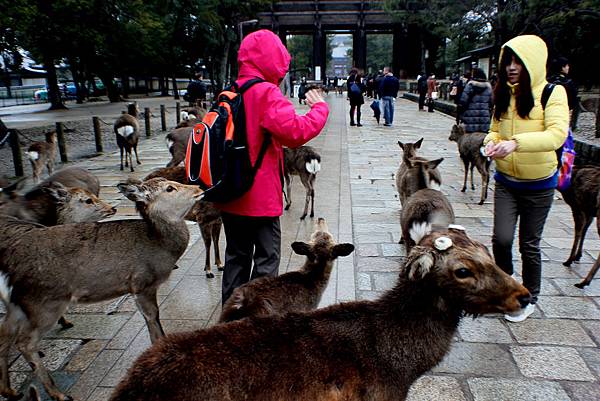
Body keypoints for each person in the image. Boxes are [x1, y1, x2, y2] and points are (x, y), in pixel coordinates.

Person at [218, 30, 329, 304]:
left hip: (230, 193)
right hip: (260, 197)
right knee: (266, 262)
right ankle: (256, 326)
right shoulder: (265, 92)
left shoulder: (229, 92)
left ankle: (230, 320)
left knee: (236, 258)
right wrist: (320, 109)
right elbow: (295, 132)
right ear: (274, 58)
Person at [483, 35, 569, 322]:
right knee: (502, 239)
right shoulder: (504, 93)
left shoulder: (552, 93)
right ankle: (507, 287)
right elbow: (495, 129)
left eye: (518, 61)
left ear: (532, 63)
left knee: (529, 244)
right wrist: (490, 142)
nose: (511, 67)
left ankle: (529, 296)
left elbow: (556, 134)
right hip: (507, 180)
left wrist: (516, 143)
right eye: (508, 61)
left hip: (539, 183)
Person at [458, 67, 493, 132]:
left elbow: (463, 101)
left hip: (470, 117)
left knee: (470, 139)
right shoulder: (488, 87)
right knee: (482, 139)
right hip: (484, 117)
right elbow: (491, 102)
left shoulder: (470, 85)